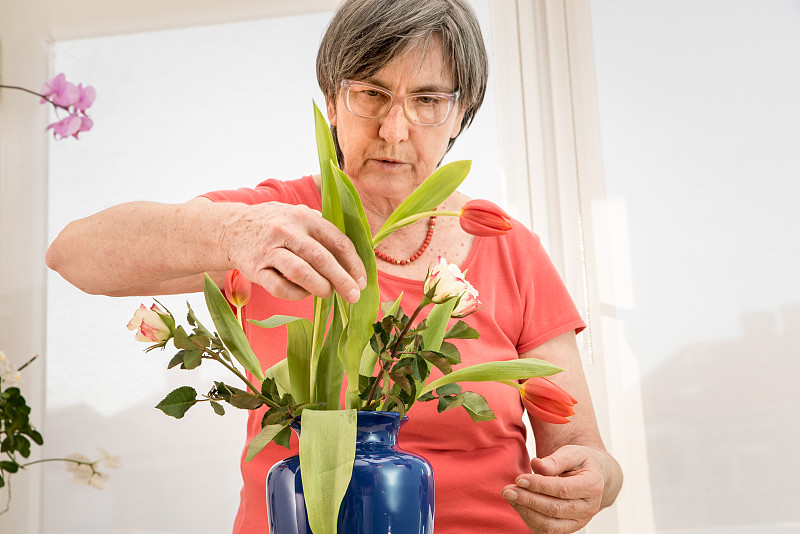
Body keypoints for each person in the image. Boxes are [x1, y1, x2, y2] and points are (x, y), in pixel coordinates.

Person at [45, 0, 622, 532]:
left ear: (460, 113)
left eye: (426, 100)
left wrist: (590, 480)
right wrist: (233, 233)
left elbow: (586, 452)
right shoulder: (275, 225)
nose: (395, 130)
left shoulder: (509, 247)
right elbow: (73, 255)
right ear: (331, 101)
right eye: (371, 93)